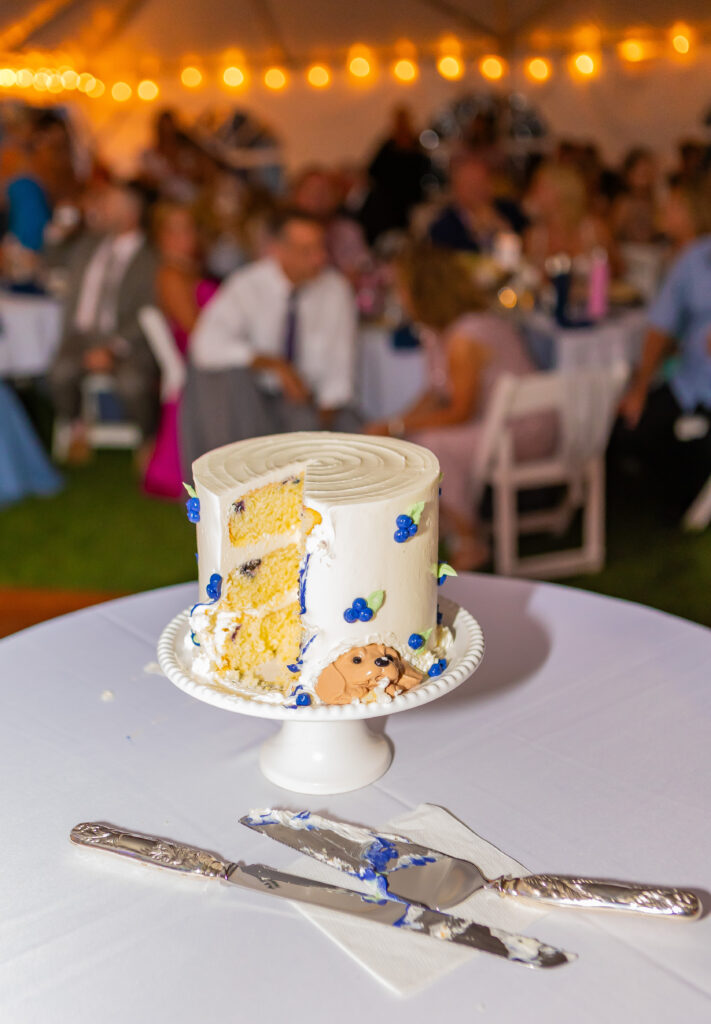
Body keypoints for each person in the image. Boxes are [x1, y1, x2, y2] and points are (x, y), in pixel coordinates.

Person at [365, 243, 556, 569]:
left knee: (433, 446)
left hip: (522, 429)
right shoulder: (439, 332)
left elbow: (459, 411)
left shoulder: (467, 336)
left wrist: (398, 426)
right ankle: (433, 529)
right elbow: (436, 393)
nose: (400, 298)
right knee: (409, 442)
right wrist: (395, 424)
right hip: (491, 423)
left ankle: (470, 539)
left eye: (402, 290)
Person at [182, 208, 359, 466]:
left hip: (309, 402)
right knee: (215, 375)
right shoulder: (247, 284)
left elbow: (341, 368)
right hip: (252, 397)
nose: (319, 258)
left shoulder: (335, 289)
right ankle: (227, 481)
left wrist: (320, 425)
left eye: (321, 247)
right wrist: (273, 364)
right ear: (278, 250)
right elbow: (205, 345)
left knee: (341, 434)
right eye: (306, 251)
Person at [49, 180, 159, 465]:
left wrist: (112, 347)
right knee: (59, 372)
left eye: (107, 205)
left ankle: (147, 439)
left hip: (128, 343)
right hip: (81, 336)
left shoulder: (151, 259)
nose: (99, 210)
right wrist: (60, 229)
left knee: (133, 382)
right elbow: (49, 261)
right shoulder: (87, 244)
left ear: (130, 214)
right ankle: (75, 426)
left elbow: (149, 313)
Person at [618, 219, 711, 518]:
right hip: (692, 384)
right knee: (631, 429)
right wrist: (640, 388)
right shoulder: (695, 258)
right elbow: (660, 326)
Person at [143, 203, 217, 499]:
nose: (182, 237)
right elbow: (195, 329)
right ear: (160, 236)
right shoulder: (171, 275)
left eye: (187, 228)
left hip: (205, 355)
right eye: (173, 230)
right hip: (199, 361)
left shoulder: (189, 269)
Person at [524, 161, 618, 274]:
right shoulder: (534, 237)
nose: (534, 193)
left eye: (540, 188)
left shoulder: (594, 230)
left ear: (562, 192)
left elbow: (618, 269)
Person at [428, 150, 527, 253]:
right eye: (470, 184)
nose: (477, 189)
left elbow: (528, 246)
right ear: (455, 189)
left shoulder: (511, 211)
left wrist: (503, 228)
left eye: (482, 182)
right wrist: (476, 235)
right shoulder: (443, 226)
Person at [364, 106, 433, 240]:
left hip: (412, 199)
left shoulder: (416, 144)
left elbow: (426, 169)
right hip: (390, 201)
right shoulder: (388, 145)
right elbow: (372, 170)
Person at [612, 148, 659, 244]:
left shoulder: (655, 202)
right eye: (642, 174)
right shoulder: (624, 204)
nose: (646, 180)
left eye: (649, 173)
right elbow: (613, 233)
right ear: (629, 175)